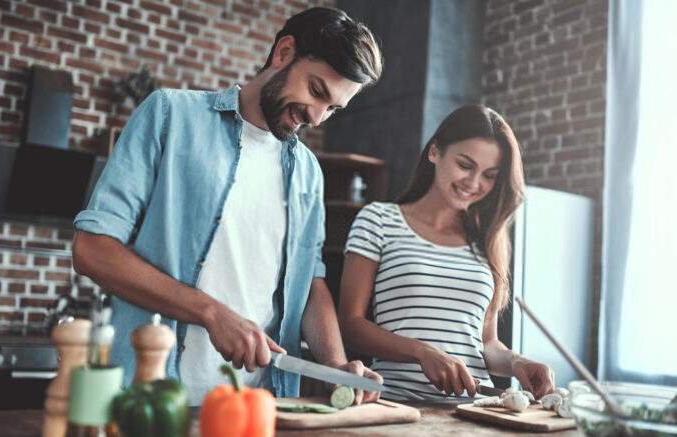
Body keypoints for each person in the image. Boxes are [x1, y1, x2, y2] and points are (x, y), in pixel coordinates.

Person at [72, 7, 384, 406]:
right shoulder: (170, 115)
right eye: (317, 91)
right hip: (151, 400)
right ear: (284, 52)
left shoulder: (308, 171)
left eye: (333, 109)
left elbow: (309, 283)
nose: (316, 117)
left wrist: (337, 364)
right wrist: (212, 313)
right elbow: (92, 249)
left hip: (260, 408)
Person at [338, 105, 555, 402]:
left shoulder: (488, 240)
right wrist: (422, 352)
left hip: (472, 413)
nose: (474, 183)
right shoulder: (378, 220)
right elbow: (350, 324)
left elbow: (486, 342)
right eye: (465, 165)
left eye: (489, 175)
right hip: (396, 404)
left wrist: (517, 363)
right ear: (435, 152)